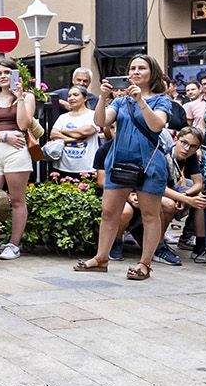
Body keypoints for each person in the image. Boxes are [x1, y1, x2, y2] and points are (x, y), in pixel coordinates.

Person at [75, 54, 174, 280]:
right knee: (109, 212)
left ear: (152, 72)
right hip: (119, 160)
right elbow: (100, 122)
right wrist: (103, 98)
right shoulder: (120, 101)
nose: (136, 72)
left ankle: (145, 263)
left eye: (141, 68)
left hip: (149, 164)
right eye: (132, 68)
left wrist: (141, 101)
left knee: (150, 215)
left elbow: (157, 125)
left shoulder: (161, 100)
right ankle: (101, 258)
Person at [0, 60, 36, 260]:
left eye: (7, 72)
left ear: (16, 75)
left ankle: (14, 244)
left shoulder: (27, 97)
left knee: (17, 199)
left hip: (17, 150)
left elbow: (23, 124)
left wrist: (19, 98)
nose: (3, 76)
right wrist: (4, 136)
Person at [157, 127, 206, 264]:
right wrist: (184, 198)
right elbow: (159, 187)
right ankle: (158, 246)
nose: (187, 149)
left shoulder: (191, 157)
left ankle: (199, 245)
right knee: (169, 204)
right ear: (176, 139)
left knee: (201, 196)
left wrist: (185, 194)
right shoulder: (164, 155)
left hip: (176, 190)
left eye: (192, 146)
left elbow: (199, 183)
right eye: (184, 143)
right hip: (154, 193)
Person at [47, 85, 99, 174]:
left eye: (75, 95)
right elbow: (53, 135)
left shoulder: (93, 115)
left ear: (85, 98)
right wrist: (75, 140)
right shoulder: (63, 117)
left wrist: (62, 131)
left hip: (87, 168)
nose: (71, 98)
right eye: (69, 96)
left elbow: (84, 132)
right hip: (62, 167)